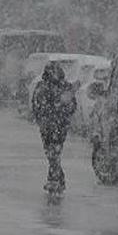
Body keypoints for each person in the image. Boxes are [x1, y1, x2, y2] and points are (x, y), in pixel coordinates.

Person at [31, 62, 77, 193]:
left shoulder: (46, 87)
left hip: (54, 125)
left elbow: (72, 105)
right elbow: (36, 105)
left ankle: (55, 178)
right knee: (53, 153)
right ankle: (57, 178)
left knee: (52, 153)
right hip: (53, 125)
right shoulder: (50, 87)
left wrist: (45, 116)